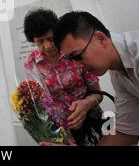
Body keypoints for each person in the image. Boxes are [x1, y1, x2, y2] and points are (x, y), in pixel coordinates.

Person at [53, 11, 139, 146]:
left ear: (101, 39)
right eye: (71, 61)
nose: (77, 67)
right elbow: (126, 131)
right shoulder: (118, 70)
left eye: (77, 56)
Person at [23, 8, 104, 145]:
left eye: (50, 38)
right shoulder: (31, 65)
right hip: (64, 133)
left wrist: (86, 104)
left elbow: (99, 94)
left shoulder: (72, 53)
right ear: (33, 41)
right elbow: (39, 104)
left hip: (93, 122)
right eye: (40, 41)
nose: (47, 46)